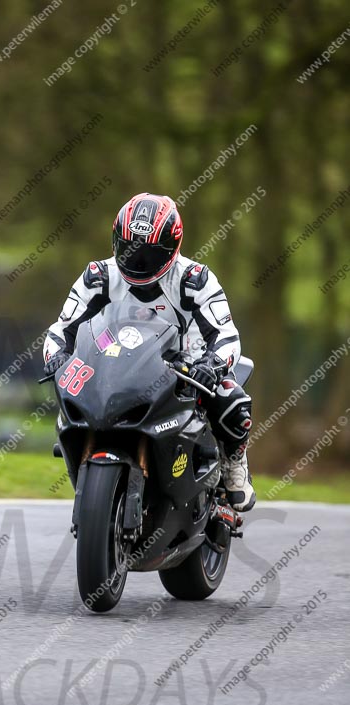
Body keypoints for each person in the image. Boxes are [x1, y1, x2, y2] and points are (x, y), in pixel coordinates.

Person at [43, 193, 255, 512]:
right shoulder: (98, 277)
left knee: (230, 396)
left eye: (149, 254)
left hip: (184, 368)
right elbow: (63, 327)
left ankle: (233, 464)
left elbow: (227, 336)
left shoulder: (194, 281)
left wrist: (211, 365)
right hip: (113, 363)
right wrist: (57, 356)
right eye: (131, 249)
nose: (137, 260)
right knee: (69, 393)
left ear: (172, 248)